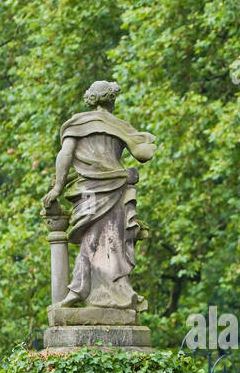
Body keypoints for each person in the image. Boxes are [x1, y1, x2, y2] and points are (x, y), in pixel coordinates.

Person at [42, 80, 156, 310]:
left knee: (94, 240)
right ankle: (94, 292)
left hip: (89, 191)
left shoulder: (77, 123)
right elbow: (143, 154)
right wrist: (145, 141)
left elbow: (64, 155)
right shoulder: (119, 126)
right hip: (114, 187)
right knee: (111, 242)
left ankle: (89, 293)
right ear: (111, 100)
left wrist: (58, 187)